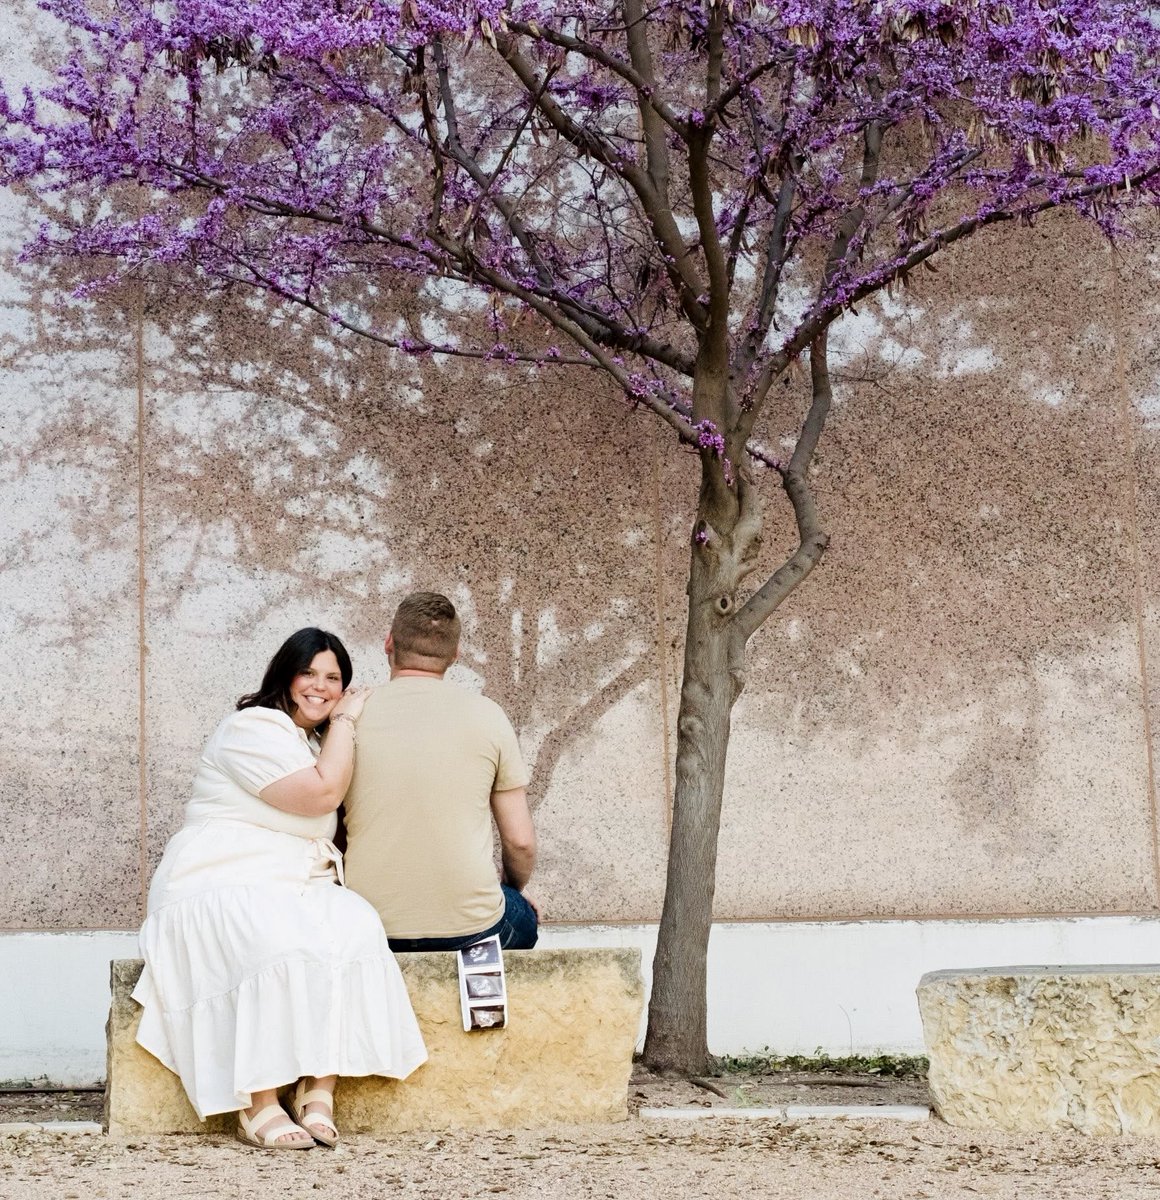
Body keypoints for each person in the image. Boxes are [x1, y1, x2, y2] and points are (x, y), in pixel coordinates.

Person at [132, 628, 427, 1150]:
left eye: (334, 678)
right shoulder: (252, 728)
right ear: (285, 677)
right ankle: (258, 1100)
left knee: (356, 925)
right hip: (218, 876)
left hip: (295, 882)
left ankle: (319, 1087)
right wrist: (346, 720)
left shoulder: (316, 741)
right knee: (272, 940)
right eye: (309, 672)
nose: (321, 686)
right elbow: (321, 796)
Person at [342, 592, 539, 951]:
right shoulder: (488, 715)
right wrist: (510, 890)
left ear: (389, 643)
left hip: (366, 926)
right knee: (522, 917)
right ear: (455, 655)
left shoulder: (348, 716)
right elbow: (521, 842)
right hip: (472, 930)